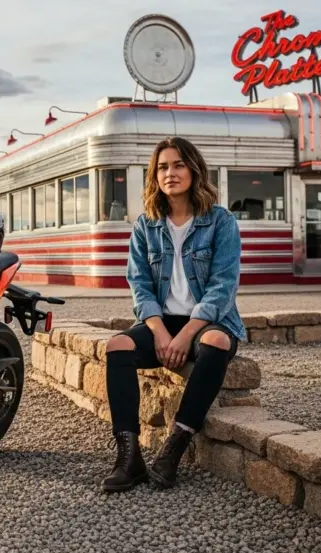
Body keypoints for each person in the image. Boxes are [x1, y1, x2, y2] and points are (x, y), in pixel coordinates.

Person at [101, 137, 246, 493]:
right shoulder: (145, 225)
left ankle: (173, 450)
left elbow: (222, 286)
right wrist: (161, 333)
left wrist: (185, 335)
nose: (171, 173)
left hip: (207, 323)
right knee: (117, 345)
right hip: (160, 323)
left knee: (215, 340)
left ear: (194, 170)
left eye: (179, 164)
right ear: (155, 176)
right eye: (163, 167)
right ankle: (129, 456)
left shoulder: (220, 221)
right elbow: (139, 285)